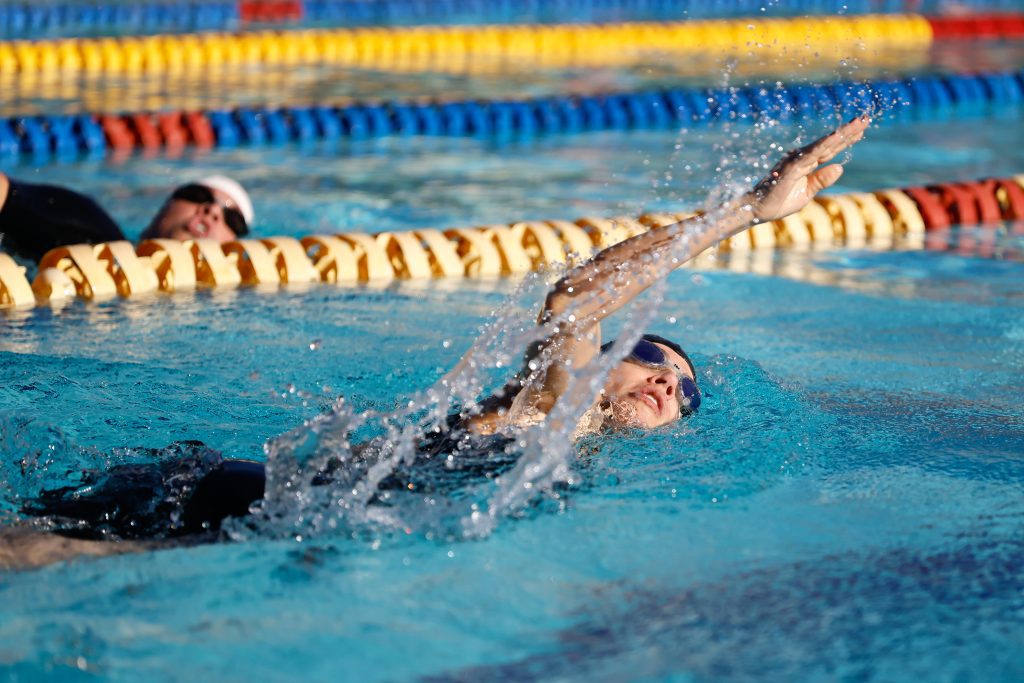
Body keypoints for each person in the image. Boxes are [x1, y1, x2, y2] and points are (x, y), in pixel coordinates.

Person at [0, 116, 870, 569]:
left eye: (687, 391)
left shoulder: (576, 458)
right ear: (611, 361)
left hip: (254, 502)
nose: (669, 385)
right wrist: (745, 212)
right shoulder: (551, 407)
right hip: (239, 498)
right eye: (655, 359)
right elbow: (576, 298)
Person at [0, 172, 254, 263]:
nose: (212, 211)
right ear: (167, 204)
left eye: (232, 219)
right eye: (199, 195)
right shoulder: (92, 230)